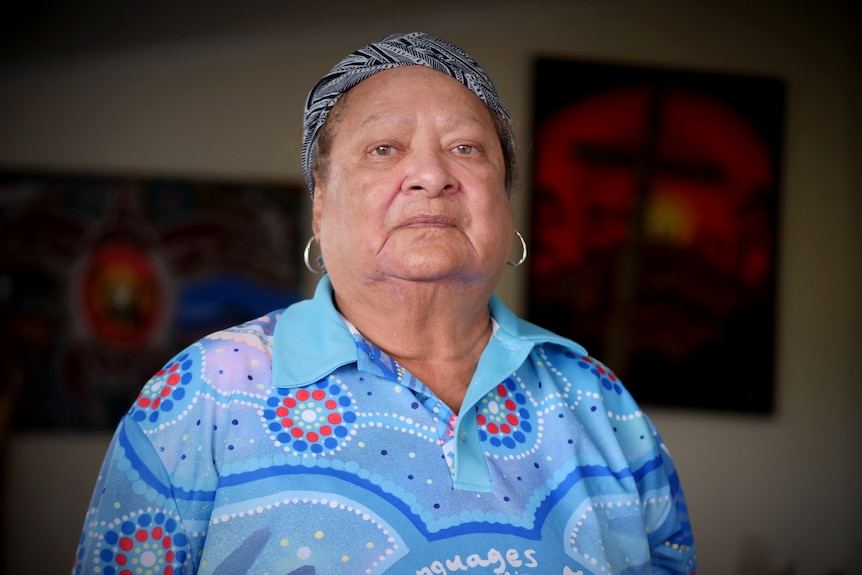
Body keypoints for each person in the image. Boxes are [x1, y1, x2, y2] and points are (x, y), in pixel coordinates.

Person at [72, 32, 697, 575]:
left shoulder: (602, 403)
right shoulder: (205, 389)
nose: (432, 174)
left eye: (467, 148)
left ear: (505, 210)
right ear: (321, 205)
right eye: (384, 149)